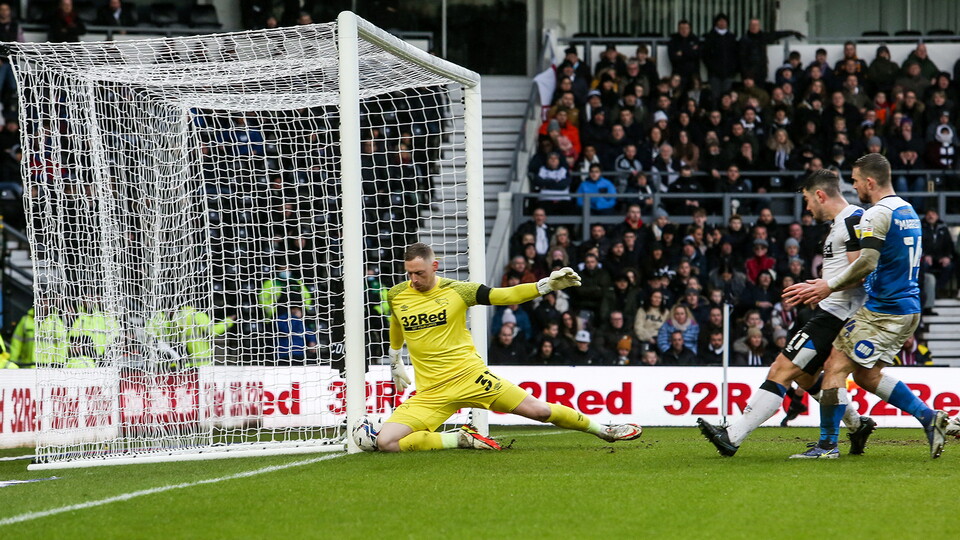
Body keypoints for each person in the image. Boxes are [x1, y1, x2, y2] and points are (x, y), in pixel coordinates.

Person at [375, 243, 642, 453]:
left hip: (471, 377)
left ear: (434, 266)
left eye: (419, 273)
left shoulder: (458, 291)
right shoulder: (397, 294)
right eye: (409, 273)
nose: (414, 280)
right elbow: (397, 323)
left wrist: (545, 285)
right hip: (432, 391)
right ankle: (461, 439)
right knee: (386, 442)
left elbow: (505, 295)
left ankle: (605, 430)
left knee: (540, 411)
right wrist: (395, 357)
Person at [782, 154, 949, 459]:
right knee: (865, 375)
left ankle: (827, 445)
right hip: (908, 306)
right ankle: (929, 418)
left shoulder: (875, 215)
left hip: (885, 309)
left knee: (834, 367)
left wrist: (828, 285)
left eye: (856, 180)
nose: (854, 186)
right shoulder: (908, 210)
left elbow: (867, 263)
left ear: (870, 182)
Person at [698, 170, 875, 457]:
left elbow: (863, 272)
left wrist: (826, 287)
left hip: (837, 316)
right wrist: (820, 286)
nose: (807, 207)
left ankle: (733, 436)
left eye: (807, 199)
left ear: (820, 195)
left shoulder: (852, 220)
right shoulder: (841, 222)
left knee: (781, 369)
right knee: (805, 377)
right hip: (830, 312)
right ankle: (857, 425)